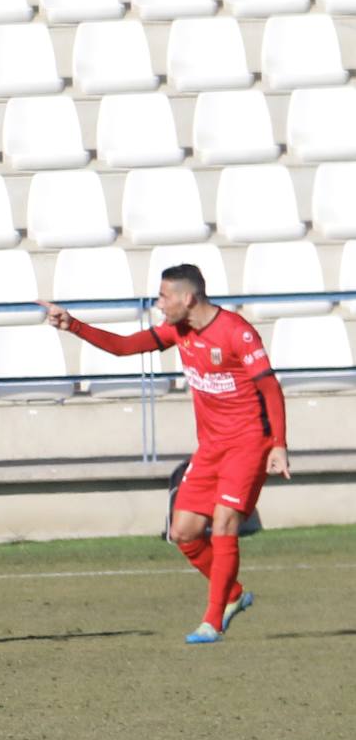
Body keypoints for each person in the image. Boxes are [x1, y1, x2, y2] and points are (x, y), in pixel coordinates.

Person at [40, 264, 290, 644]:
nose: (158, 304)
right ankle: (233, 595)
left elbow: (270, 388)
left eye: (163, 297)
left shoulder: (237, 332)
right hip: (210, 448)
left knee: (224, 524)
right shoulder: (179, 330)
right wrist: (73, 325)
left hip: (249, 443)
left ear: (187, 298)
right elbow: (124, 347)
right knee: (183, 533)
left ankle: (212, 621)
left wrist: (279, 445)